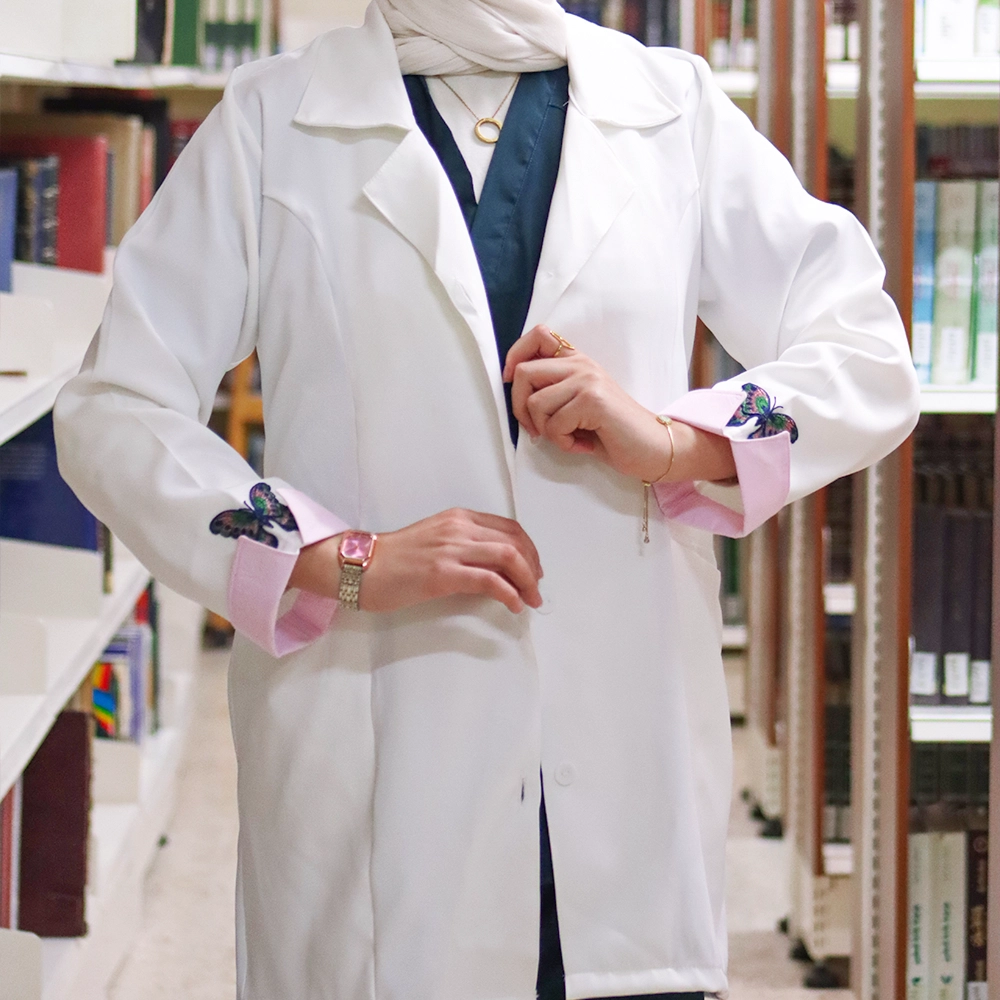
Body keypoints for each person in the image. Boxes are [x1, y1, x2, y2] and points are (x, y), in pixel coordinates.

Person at [54, 1, 921, 998]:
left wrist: (676, 444)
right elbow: (114, 409)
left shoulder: (668, 108)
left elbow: (865, 355)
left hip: (616, 769)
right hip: (378, 765)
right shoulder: (274, 118)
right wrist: (338, 561)